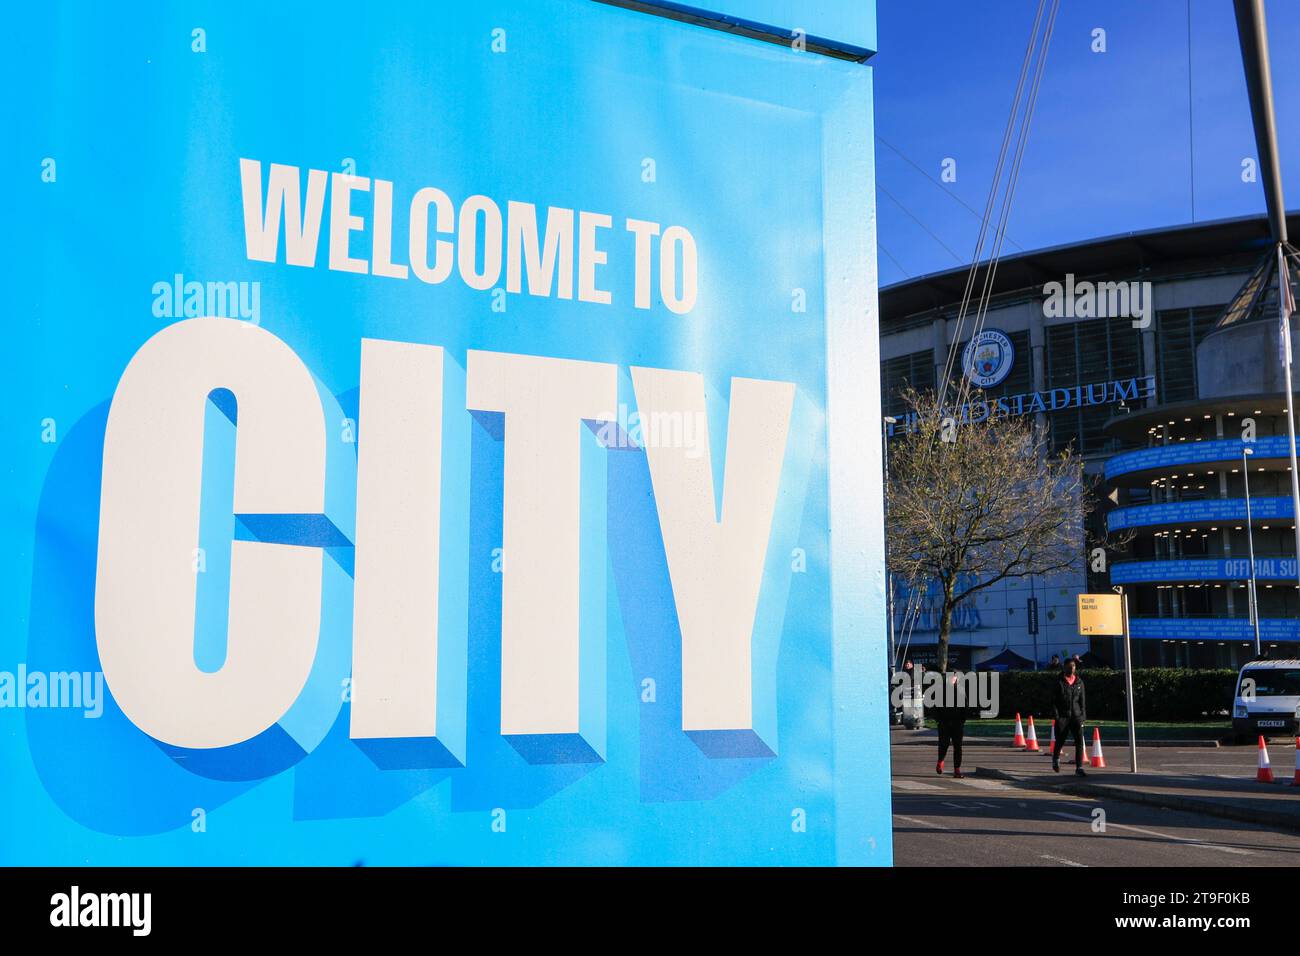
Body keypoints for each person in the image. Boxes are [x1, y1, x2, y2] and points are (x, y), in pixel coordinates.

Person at [933, 671, 975, 778]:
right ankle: (942, 762)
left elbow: (965, 708)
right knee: (945, 745)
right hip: (946, 723)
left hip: (955, 723)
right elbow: (934, 706)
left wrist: (962, 720)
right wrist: (938, 719)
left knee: (956, 746)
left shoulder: (958, 690)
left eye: (954, 677)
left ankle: (956, 769)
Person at [1052, 658, 1088, 776]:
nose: (1071, 668)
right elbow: (1053, 701)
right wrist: (1057, 716)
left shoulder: (1079, 682)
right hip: (1063, 717)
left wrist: (1082, 716)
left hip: (1076, 717)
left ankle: (1079, 767)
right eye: (1069, 666)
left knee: (1079, 742)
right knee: (1060, 740)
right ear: (1064, 667)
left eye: (1073, 666)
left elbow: (1082, 701)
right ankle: (1056, 758)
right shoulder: (1059, 682)